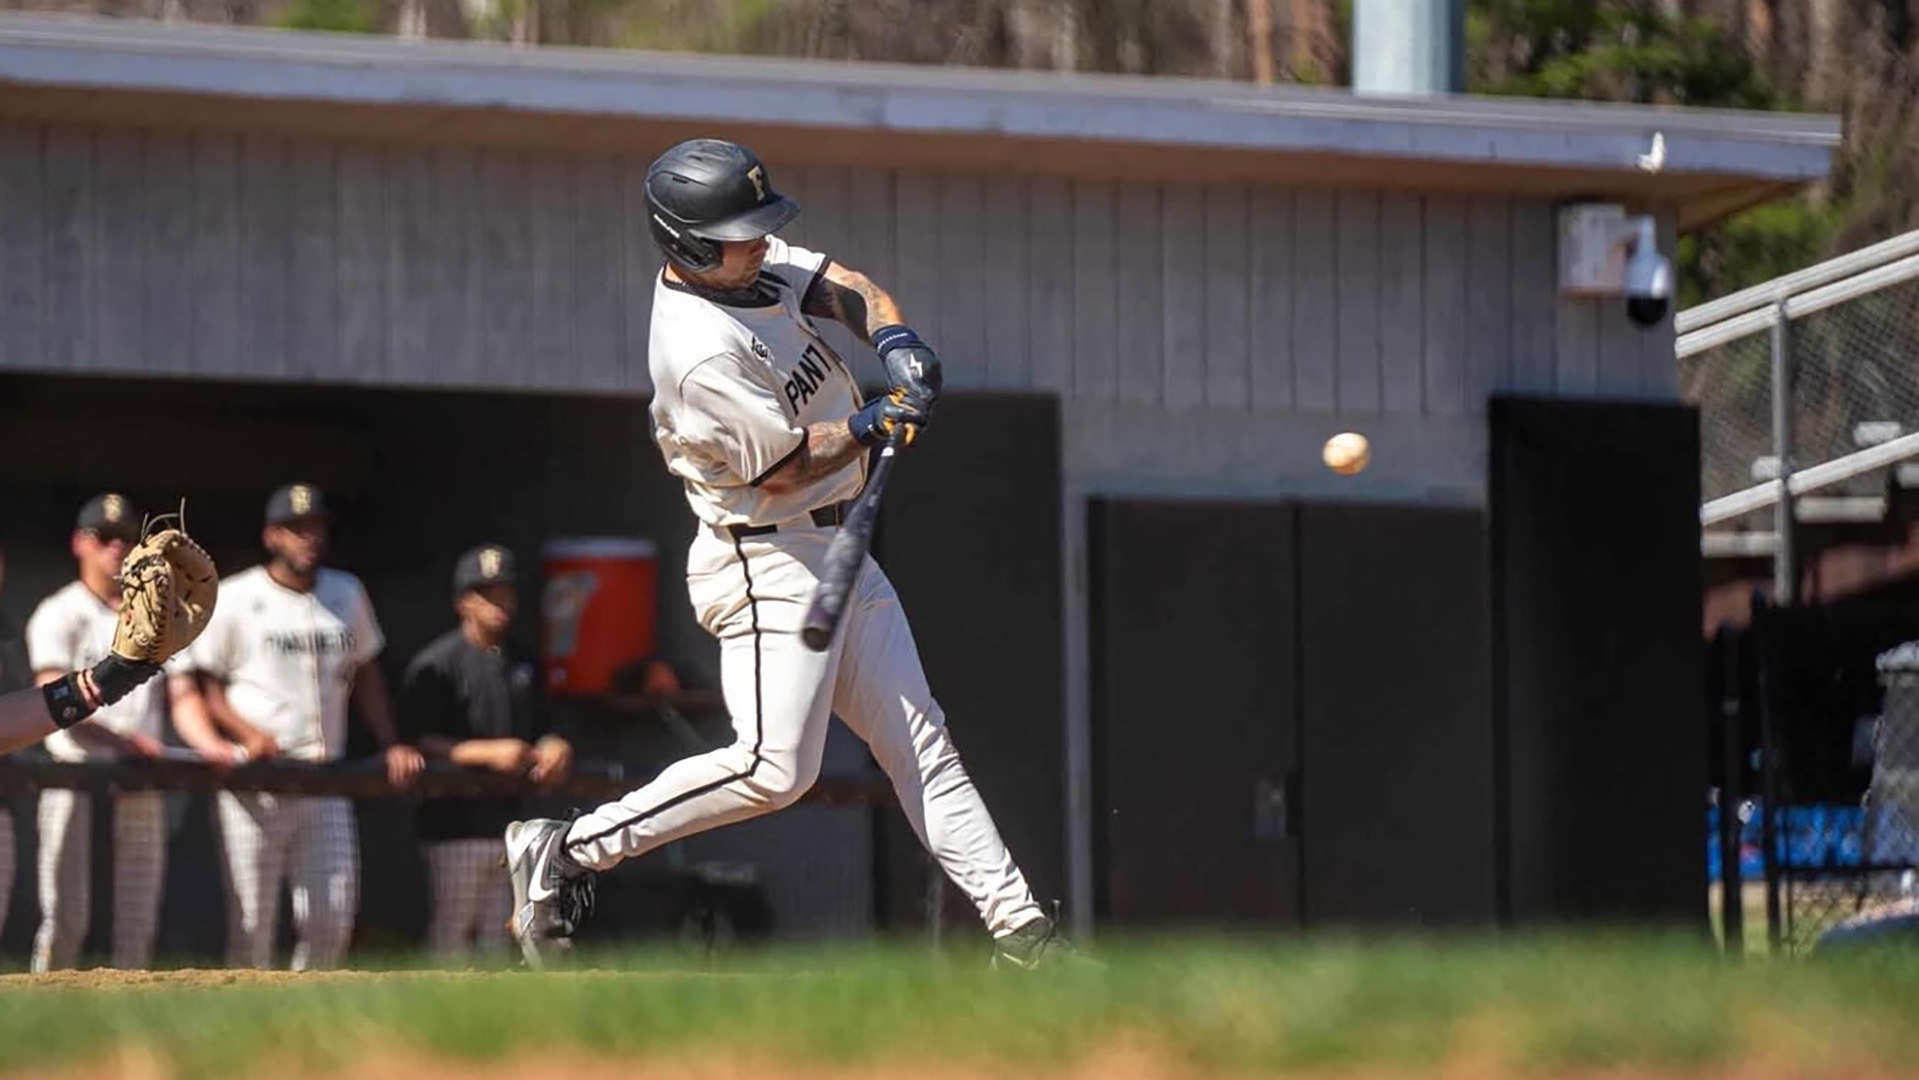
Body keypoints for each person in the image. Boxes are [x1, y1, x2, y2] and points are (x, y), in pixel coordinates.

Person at [505, 139, 1073, 970]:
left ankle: (1024, 938)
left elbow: (846, 286)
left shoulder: (749, 265)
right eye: (741, 232)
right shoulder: (697, 351)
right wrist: (870, 425)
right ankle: (569, 849)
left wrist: (897, 342)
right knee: (776, 769)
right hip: (762, 555)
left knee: (923, 747)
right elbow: (781, 468)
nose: (761, 242)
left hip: (833, 539)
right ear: (688, 245)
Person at [170, 483, 425, 970]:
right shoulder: (238, 595)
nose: (309, 538)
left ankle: (311, 1022)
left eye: (316, 528)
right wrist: (243, 733)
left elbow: (367, 671)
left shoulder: (346, 592)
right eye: (296, 529)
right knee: (252, 924)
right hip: (257, 776)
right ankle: (245, 1028)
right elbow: (208, 685)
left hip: (324, 774)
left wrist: (391, 742)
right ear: (271, 537)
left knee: (332, 914)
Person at [402, 544, 571, 961]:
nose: (500, 603)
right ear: (464, 602)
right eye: (487, 594)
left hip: (512, 823)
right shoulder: (438, 662)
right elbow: (415, 740)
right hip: (453, 825)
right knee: (452, 937)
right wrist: (487, 753)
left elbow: (547, 726)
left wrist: (555, 744)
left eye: (506, 592)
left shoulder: (525, 661)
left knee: (501, 942)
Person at [24, 494, 169, 971]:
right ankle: (47, 1022)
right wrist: (124, 742)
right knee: (67, 919)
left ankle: (135, 1034)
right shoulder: (58, 611)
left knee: (137, 923)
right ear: (79, 543)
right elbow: (49, 696)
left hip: (139, 779)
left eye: (126, 539)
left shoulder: (150, 611)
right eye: (105, 538)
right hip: (75, 778)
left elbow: (184, 692)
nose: (117, 549)